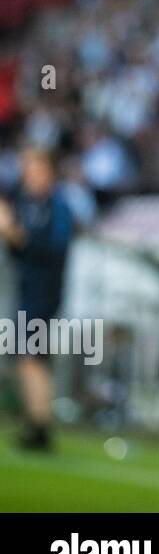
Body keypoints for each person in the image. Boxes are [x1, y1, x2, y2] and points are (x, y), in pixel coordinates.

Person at [0, 147, 75, 451]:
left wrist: (15, 233)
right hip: (29, 291)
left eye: (33, 168)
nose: (28, 174)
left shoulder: (57, 206)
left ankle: (40, 426)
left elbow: (52, 249)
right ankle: (37, 423)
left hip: (43, 294)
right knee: (30, 359)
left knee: (29, 357)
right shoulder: (29, 203)